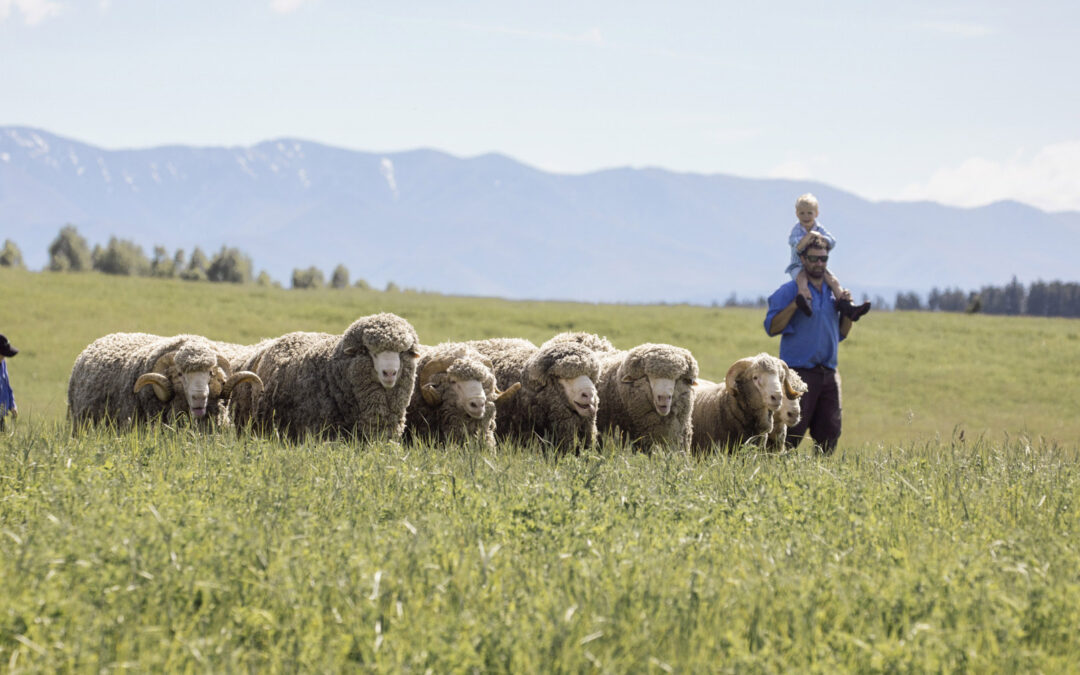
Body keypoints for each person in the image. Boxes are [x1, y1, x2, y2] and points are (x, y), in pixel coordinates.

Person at [765, 236, 854, 454]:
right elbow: (772, 327)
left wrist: (848, 310)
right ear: (803, 259)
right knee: (790, 431)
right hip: (798, 373)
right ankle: (779, 473)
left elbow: (841, 332)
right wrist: (796, 304)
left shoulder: (834, 294)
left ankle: (819, 475)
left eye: (823, 259)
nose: (819, 263)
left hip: (829, 374)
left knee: (830, 432)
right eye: (813, 258)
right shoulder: (789, 290)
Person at [786, 193, 870, 320]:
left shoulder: (820, 228)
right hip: (798, 265)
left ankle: (847, 305)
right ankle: (806, 301)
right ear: (796, 214)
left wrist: (820, 237)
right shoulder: (796, 230)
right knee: (802, 279)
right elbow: (798, 246)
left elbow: (832, 242)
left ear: (816, 213)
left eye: (809, 213)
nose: (806, 216)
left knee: (833, 280)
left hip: (816, 263)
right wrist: (810, 236)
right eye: (802, 213)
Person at [0, 334, 17, 432]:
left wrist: (12, 405)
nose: (4, 357)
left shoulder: (3, 364)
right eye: (3, 354)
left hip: (1, 416)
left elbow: (7, 387)